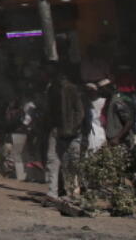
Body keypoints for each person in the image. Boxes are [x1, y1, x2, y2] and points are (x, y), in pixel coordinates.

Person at [45, 67, 85, 202]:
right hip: (57, 130)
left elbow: (79, 112)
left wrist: (73, 128)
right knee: (54, 160)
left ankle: (72, 193)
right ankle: (53, 193)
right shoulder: (52, 90)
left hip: (71, 132)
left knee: (72, 162)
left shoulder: (71, 89)